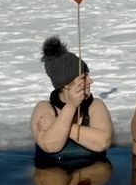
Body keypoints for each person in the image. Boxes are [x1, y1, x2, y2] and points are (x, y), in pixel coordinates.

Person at [32, 36, 114, 166]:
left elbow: (103, 142)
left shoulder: (95, 106)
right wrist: (71, 106)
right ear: (65, 84)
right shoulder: (44, 108)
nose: (90, 81)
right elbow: (50, 146)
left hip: (91, 171)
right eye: (83, 77)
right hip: (52, 170)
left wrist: (58, 124)